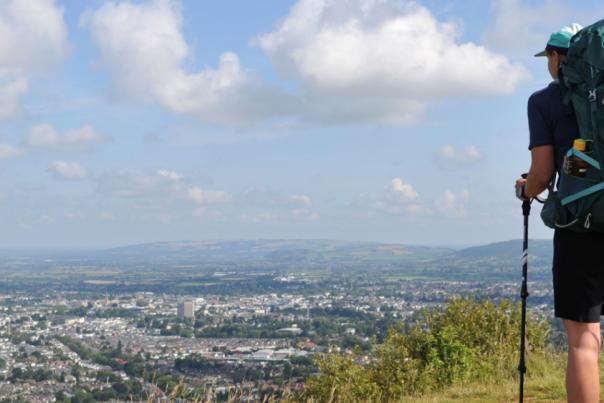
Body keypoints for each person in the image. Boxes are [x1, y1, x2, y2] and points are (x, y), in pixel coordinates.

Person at [515, 23, 604, 403]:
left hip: (580, 226)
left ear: (554, 57)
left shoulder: (544, 102)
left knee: (584, 339)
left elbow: (542, 172)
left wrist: (527, 189)